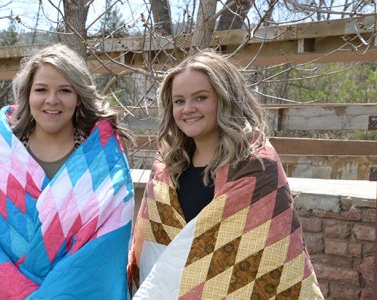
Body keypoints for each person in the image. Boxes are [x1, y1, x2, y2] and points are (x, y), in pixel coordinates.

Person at [127, 50, 323, 299]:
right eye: (179, 101)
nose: (188, 109)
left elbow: (273, 257)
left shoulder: (257, 169)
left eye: (200, 98)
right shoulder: (166, 170)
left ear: (224, 99)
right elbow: (150, 252)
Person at [0, 43, 135, 298]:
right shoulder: (0, 156)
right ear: (28, 95)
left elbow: (105, 249)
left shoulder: (104, 162)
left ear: (78, 98)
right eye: (41, 89)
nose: (52, 100)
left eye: (64, 90)